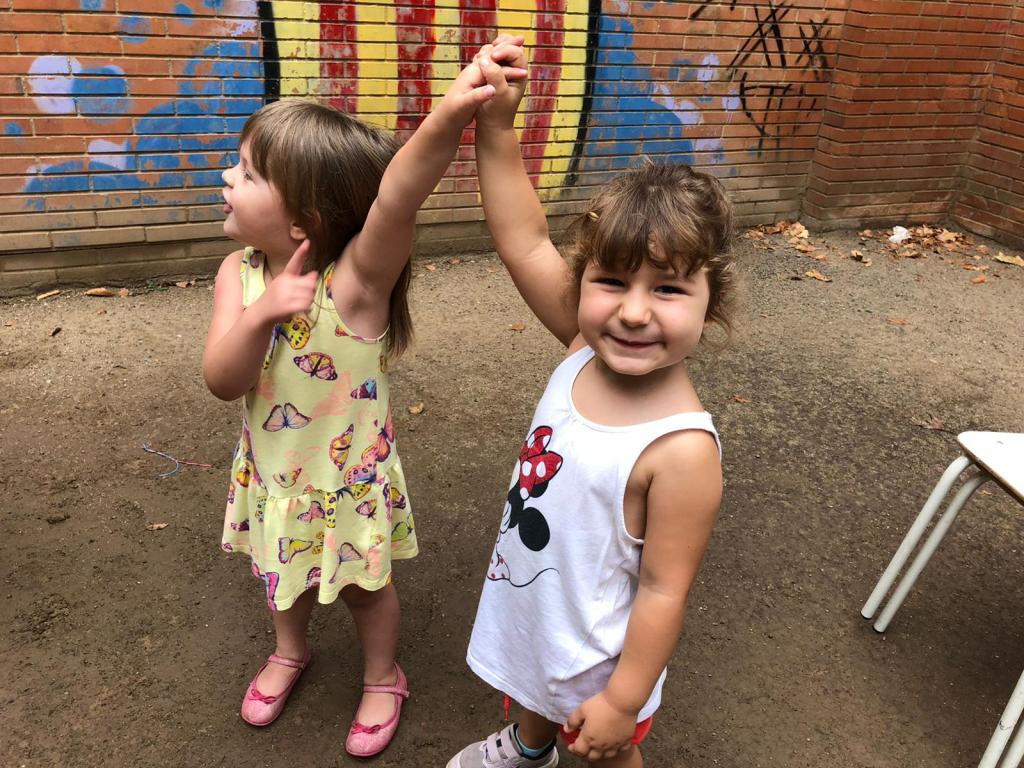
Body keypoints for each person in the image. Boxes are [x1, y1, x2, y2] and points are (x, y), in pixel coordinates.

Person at [203, 45, 526, 758]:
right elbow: (222, 380)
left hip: (346, 483)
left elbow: (398, 197)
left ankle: (384, 675)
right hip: (276, 477)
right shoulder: (238, 273)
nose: (227, 176)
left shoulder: (355, 286)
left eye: (248, 172)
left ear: (304, 220)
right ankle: (290, 651)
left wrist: (451, 113)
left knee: (364, 589)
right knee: (281, 575)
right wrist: (261, 316)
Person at [447, 39, 735, 768]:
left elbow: (664, 590)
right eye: (612, 281)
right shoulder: (582, 344)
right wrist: (497, 126)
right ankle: (527, 748)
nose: (634, 312)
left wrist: (623, 702)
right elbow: (523, 239)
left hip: (604, 656)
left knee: (606, 751)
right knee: (536, 689)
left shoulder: (682, 451)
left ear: (711, 303)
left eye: (668, 289)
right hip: (541, 606)